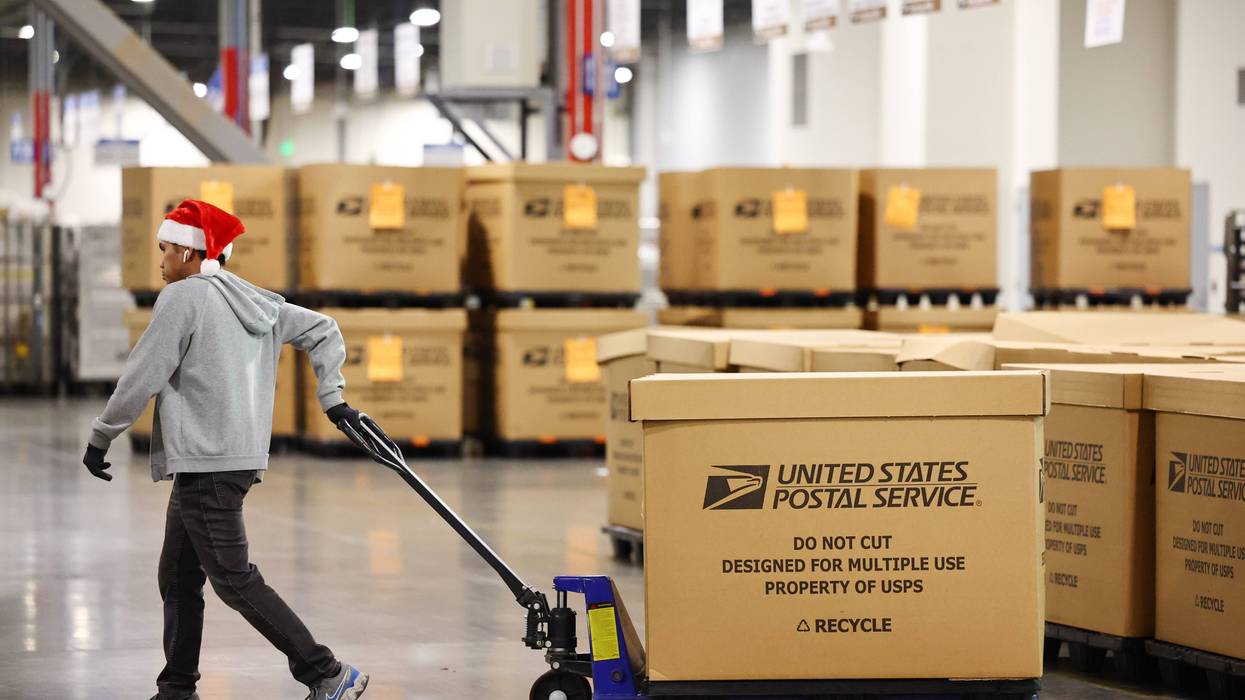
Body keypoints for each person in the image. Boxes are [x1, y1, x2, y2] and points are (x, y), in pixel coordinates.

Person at [82, 199, 370, 700]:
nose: (161, 260)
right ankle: (176, 689)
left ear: (193, 254)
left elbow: (141, 375)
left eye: (166, 248)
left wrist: (103, 433)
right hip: (232, 459)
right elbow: (325, 329)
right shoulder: (256, 300)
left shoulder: (182, 297)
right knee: (176, 575)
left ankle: (326, 672)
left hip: (206, 462)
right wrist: (332, 397)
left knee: (234, 579)